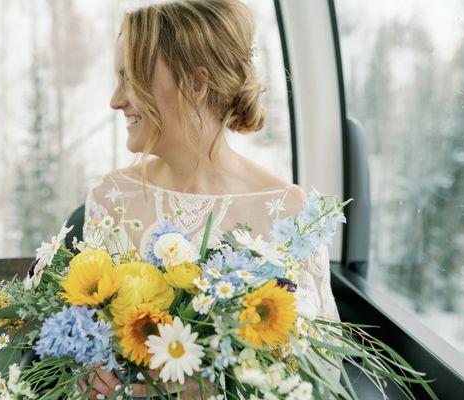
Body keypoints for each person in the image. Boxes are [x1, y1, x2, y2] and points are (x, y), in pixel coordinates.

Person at [78, 0, 340, 398]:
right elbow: (85, 345)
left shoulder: (289, 213)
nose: (115, 100)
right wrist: (88, 375)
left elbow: (317, 381)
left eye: (129, 78)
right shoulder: (109, 199)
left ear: (197, 84)